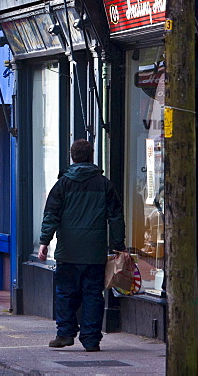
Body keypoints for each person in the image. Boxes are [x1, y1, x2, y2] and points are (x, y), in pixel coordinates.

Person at [39, 139, 125, 351]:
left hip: (67, 250)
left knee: (65, 293)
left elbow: (51, 215)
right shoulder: (104, 184)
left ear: (72, 157)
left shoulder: (62, 184)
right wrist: (119, 244)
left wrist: (44, 242)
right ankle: (91, 339)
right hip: (94, 251)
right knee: (93, 295)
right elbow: (115, 216)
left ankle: (65, 334)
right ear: (91, 156)